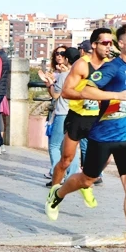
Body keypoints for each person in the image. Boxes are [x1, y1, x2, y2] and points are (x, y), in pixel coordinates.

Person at [45, 23, 126, 252]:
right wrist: (115, 95)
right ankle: (58, 194)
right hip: (102, 137)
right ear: (121, 44)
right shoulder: (111, 69)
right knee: (86, 180)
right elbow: (86, 90)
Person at [52, 28, 117, 203]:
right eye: (105, 43)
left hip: (99, 120)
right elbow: (65, 92)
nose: (108, 46)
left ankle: (85, 183)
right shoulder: (82, 64)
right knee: (66, 160)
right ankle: (54, 194)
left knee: (106, 159)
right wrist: (86, 94)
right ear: (94, 45)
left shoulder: (111, 66)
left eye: (111, 43)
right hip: (79, 117)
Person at [46, 47, 82, 180]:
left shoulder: (64, 76)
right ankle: (72, 176)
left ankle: (57, 175)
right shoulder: (81, 75)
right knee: (71, 148)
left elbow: (56, 95)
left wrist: (49, 84)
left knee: (55, 145)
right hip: (76, 113)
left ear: (67, 59)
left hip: (62, 113)